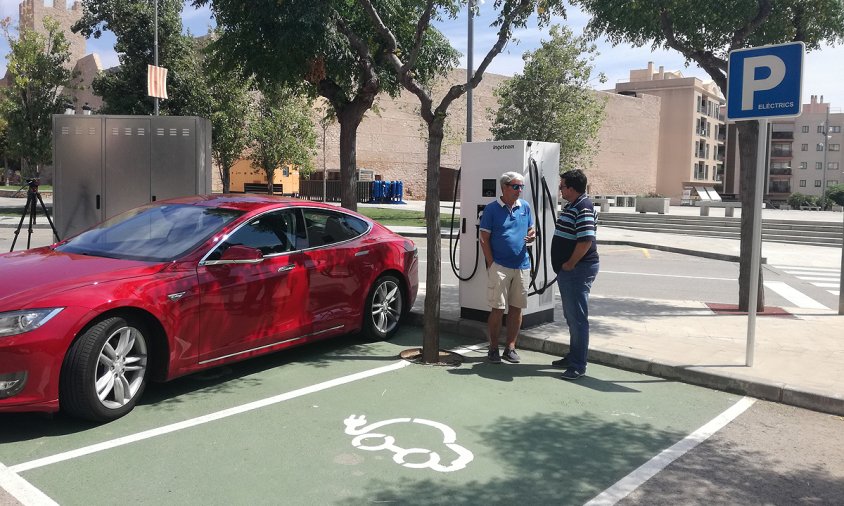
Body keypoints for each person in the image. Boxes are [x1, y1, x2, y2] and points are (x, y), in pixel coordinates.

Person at [479, 171, 535, 363]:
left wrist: (532, 233)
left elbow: (530, 227)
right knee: (497, 308)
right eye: (516, 186)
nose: (519, 190)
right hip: (500, 266)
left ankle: (510, 347)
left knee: (517, 308)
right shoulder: (491, 210)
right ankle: (493, 348)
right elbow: (484, 238)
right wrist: (491, 263)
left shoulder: (525, 207)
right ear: (504, 187)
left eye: (521, 187)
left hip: (522, 264)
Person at [551, 169, 599, 380]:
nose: (560, 189)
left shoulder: (584, 207)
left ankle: (578, 365)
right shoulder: (574, 205)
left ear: (571, 188)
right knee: (572, 316)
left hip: (577, 270)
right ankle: (573, 356)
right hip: (570, 271)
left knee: (578, 318)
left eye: (562, 186)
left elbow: (586, 239)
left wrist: (570, 263)